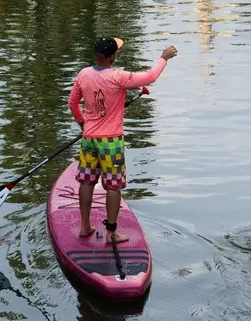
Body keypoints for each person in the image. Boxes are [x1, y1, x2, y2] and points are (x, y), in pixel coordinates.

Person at [68, 35, 177, 241]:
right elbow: (150, 77)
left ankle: (85, 226)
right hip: (111, 141)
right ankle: (111, 233)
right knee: (113, 186)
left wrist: (83, 123)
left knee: (87, 182)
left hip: (89, 139)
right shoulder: (119, 77)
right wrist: (163, 58)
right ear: (112, 58)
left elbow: (72, 103)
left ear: (96, 55)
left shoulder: (83, 74)